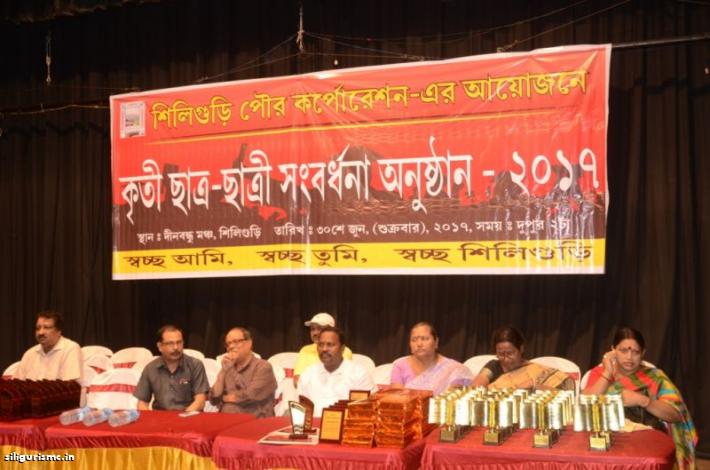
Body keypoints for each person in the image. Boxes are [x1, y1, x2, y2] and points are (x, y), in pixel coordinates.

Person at [583, 327, 696, 469]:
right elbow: (584, 406)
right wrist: (607, 373)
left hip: (646, 446)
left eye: (635, 352)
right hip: (604, 443)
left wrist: (643, 401)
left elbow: (675, 415)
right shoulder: (600, 374)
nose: (629, 357)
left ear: (643, 353)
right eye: (623, 351)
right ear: (613, 351)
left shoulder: (655, 377)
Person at [297, 326, 373, 416]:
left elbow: (370, 409)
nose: (324, 349)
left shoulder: (359, 373)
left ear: (342, 349)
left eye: (330, 345)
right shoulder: (307, 373)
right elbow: (299, 410)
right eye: (320, 345)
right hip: (313, 424)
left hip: (346, 424)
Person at [471, 326, 573, 391]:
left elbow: (565, 391)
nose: (506, 358)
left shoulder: (534, 369)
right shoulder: (493, 366)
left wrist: (535, 386)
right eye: (501, 354)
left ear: (521, 349)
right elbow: (476, 387)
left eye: (510, 353)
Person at [134, 325, 209, 411]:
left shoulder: (195, 365)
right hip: (160, 417)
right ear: (160, 346)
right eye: (170, 343)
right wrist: (151, 418)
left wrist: (184, 416)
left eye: (179, 342)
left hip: (189, 415)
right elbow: (142, 403)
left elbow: (200, 401)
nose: (176, 347)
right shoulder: (150, 369)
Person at [209, 327, 277, 417]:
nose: (231, 346)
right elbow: (213, 399)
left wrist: (224, 399)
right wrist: (223, 371)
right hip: (227, 418)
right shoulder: (228, 367)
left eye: (236, 341)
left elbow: (249, 396)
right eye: (228, 344)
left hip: (256, 419)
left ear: (249, 343)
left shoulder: (263, 367)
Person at [390, 322, 472, 395]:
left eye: (424, 339)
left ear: (436, 342)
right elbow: (397, 399)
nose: (419, 344)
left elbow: (453, 399)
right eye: (414, 340)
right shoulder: (400, 365)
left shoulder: (453, 369)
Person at [15, 310, 83, 382]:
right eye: (38, 328)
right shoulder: (30, 353)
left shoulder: (70, 348)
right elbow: (17, 383)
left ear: (59, 331)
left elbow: (69, 385)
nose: (40, 333)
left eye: (46, 327)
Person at [293, 312, 352, 386]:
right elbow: (297, 380)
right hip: (309, 392)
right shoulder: (305, 350)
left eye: (319, 329)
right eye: (312, 329)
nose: (315, 333)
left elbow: (342, 380)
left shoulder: (344, 351)